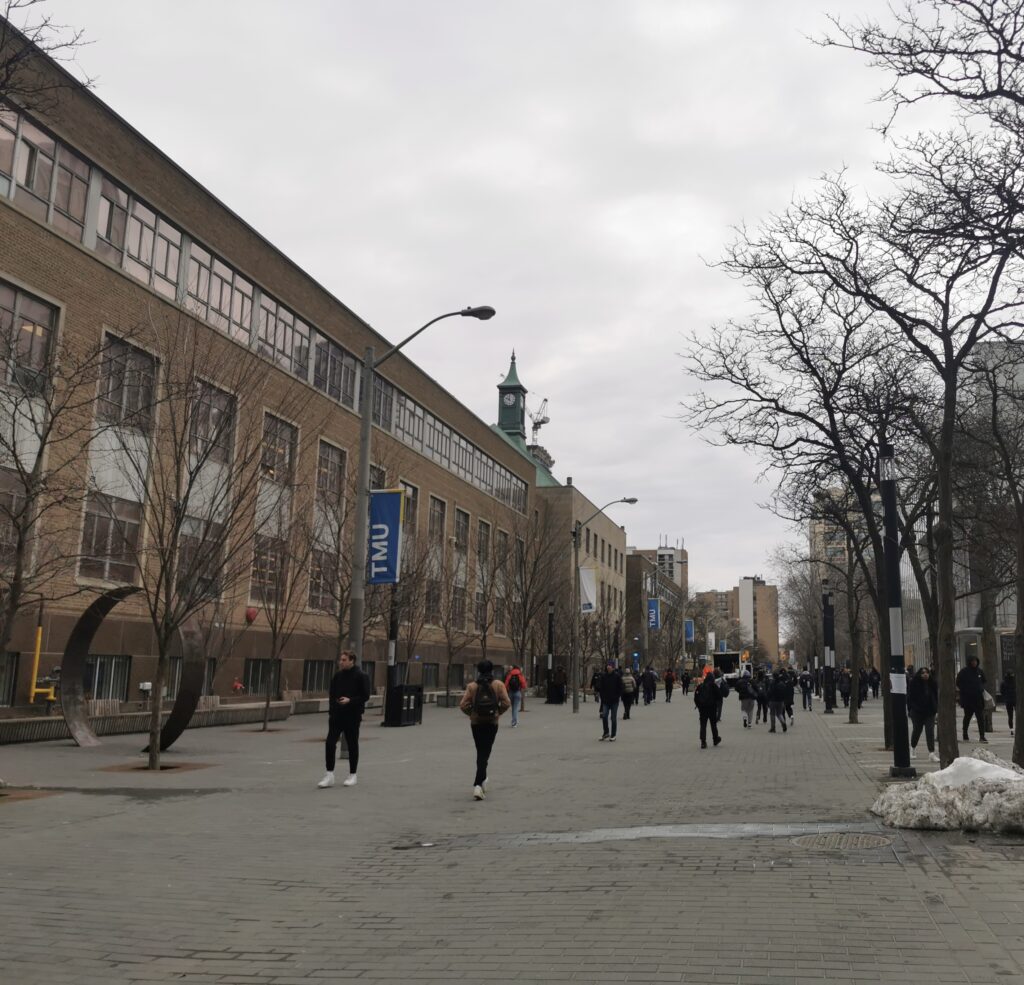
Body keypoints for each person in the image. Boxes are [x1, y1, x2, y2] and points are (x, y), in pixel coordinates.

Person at [317, 650, 372, 789]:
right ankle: (329, 774)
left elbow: (365, 696)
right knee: (330, 743)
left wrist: (350, 700)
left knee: (352, 744)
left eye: (344, 660)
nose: (341, 662)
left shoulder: (361, 676)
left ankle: (353, 774)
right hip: (336, 716)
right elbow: (332, 694)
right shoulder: (337, 676)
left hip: (352, 716)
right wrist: (332, 711)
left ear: (352, 660)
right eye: (340, 660)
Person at [459, 659, 511, 800]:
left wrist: (473, 714)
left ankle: (482, 780)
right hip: (491, 723)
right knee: (485, 751)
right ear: (492, 670)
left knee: (480, 751)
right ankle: (477, 785)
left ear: (479, 670)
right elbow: (507, 703)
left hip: (476, 723)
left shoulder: (472, 686)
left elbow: (463, 705)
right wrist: (497, 712)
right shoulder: (498, 685)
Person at [906, 666, 939, 761]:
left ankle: (931, 753)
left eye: (927, 672)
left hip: (930, 711)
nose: (925, 674)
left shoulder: (932, 683)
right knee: (917, 730)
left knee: (930, 732)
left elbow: (936, 696)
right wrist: (911, 709)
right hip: (917, 712)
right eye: (923, 673)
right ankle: (912, 748)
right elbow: (909, 698)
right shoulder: (914, 683)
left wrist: (935, 708)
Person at [956, 655, 988, 743]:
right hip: (968, 699)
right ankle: (965, 733)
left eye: (975, 661)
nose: (974, 663)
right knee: (967, 717)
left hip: (978, 698)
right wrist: (965, 690)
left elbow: (984, 681)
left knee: (980, 718)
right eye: (972, 661)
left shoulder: (979, 671)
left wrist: (981, 688)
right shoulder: (964, 672)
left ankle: (982, 735)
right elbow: (958, 682)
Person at [596, 660, 624, 741]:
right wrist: (602, 696)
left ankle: (613, 735)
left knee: (613, 718)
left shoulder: (617, 676)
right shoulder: (603, 676)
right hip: (605, 701)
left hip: (614, 701)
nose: (608, 667)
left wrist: (617, 696)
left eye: (610, 665)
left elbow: (621, 688)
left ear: (613, 667)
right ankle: (606, 733)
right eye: (607, 665)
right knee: (604, 716)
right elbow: (600, 687)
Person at [694, 672, 722, 748]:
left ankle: (703, 742)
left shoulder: (700, 686)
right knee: (713, 724)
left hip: (703, 709)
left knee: (703, 725)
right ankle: (715, 739)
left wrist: (699, 706)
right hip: (712, 708)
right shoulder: (714, 686)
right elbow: (719, 696)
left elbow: (696, 697)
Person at [1003, 670, 1016, 736]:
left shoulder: (1004, 682)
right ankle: (1018, 728)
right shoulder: (1015, 682)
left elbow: (1002, 691)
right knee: (1018, 715)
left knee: (1010, 716)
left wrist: (1005, 697)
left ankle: (1011, 730)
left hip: (1008, 701)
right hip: (1016, 700)